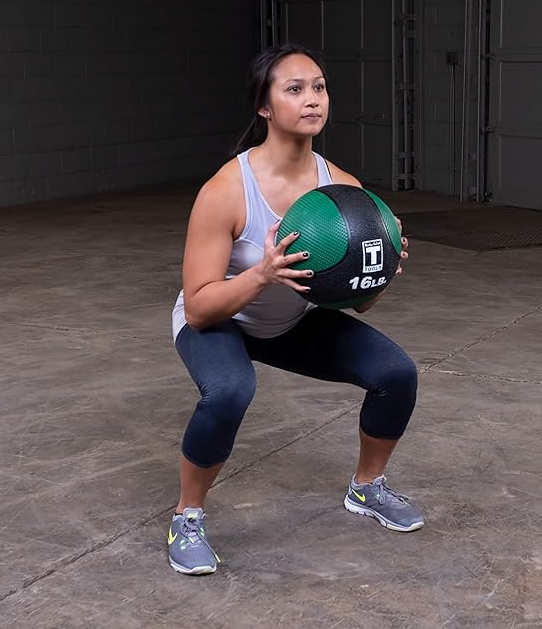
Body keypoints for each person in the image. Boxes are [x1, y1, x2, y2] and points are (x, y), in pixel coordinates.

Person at [167, 43, 424, 575]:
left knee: (396, 373)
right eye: (295, 89)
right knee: (231, 389)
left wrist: (380, 273)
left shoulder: (344, 190)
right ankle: (186, 516)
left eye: (319, 87)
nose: (313, 100)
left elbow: (357, 302)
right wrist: (261, 274)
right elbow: (198, 309)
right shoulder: (225, 190)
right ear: (264, 106)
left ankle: (367, 487)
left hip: (290, 322)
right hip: (223, 319)